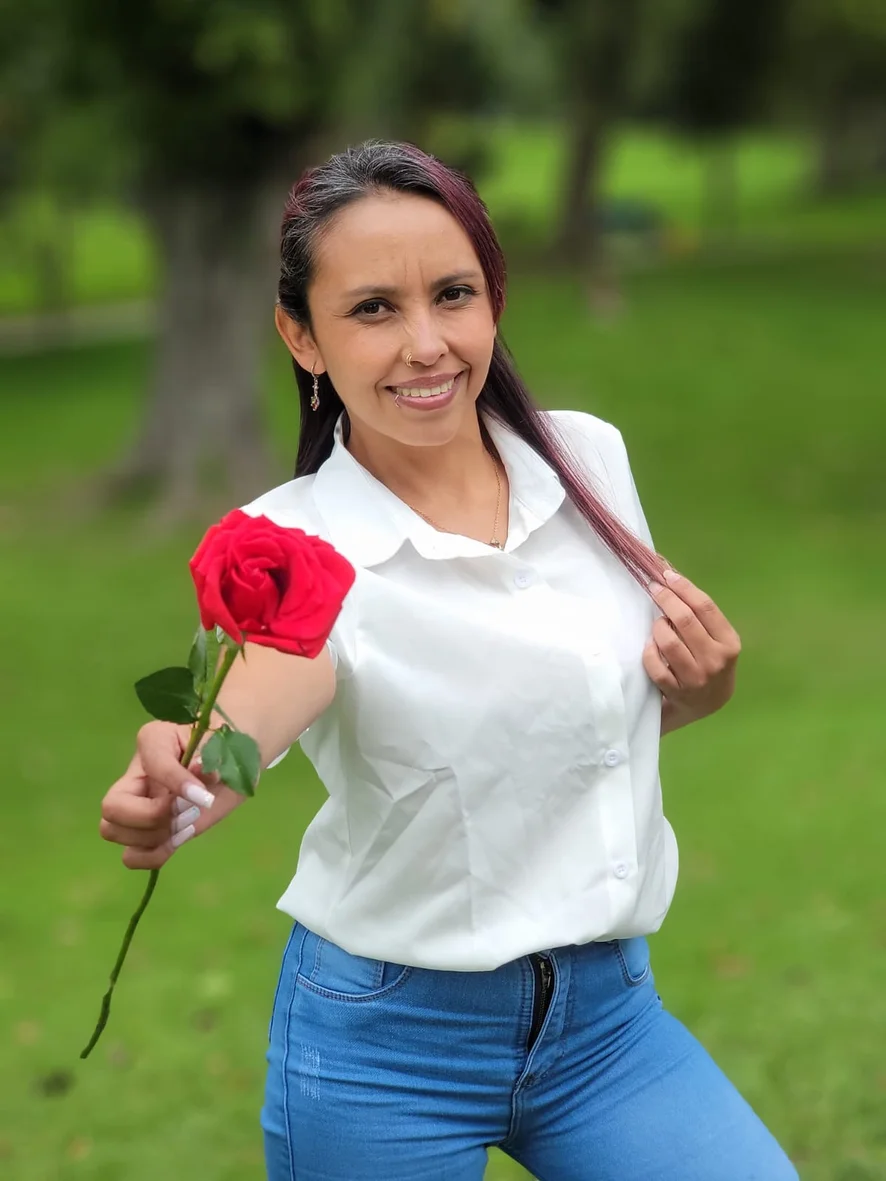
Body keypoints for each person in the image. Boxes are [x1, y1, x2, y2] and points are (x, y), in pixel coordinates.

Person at [97, 141, 798, 1181]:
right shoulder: (296, 548)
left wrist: (705, 686)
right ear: (302, 335)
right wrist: (176, 785)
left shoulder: (587, 460)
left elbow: (584, 718)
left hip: (607, 1027)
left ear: (493, 298)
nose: (425, 344)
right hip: (388, 1051)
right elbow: (246, 721)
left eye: (452, 294)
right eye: (373, 309)